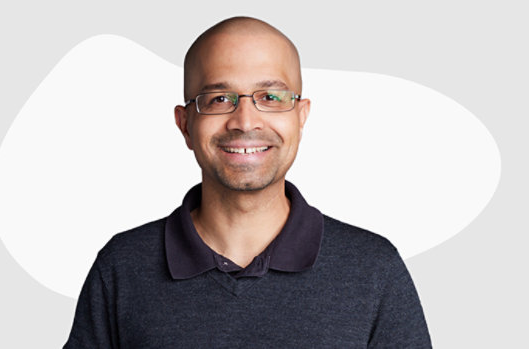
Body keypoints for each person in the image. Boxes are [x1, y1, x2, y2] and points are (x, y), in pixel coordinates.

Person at [63, 16, 432, 348]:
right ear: (185, 124)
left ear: (301, 118)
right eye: (219, 98)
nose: (245, 120)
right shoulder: (122, 268)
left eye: (271, 97)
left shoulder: (372, 270)